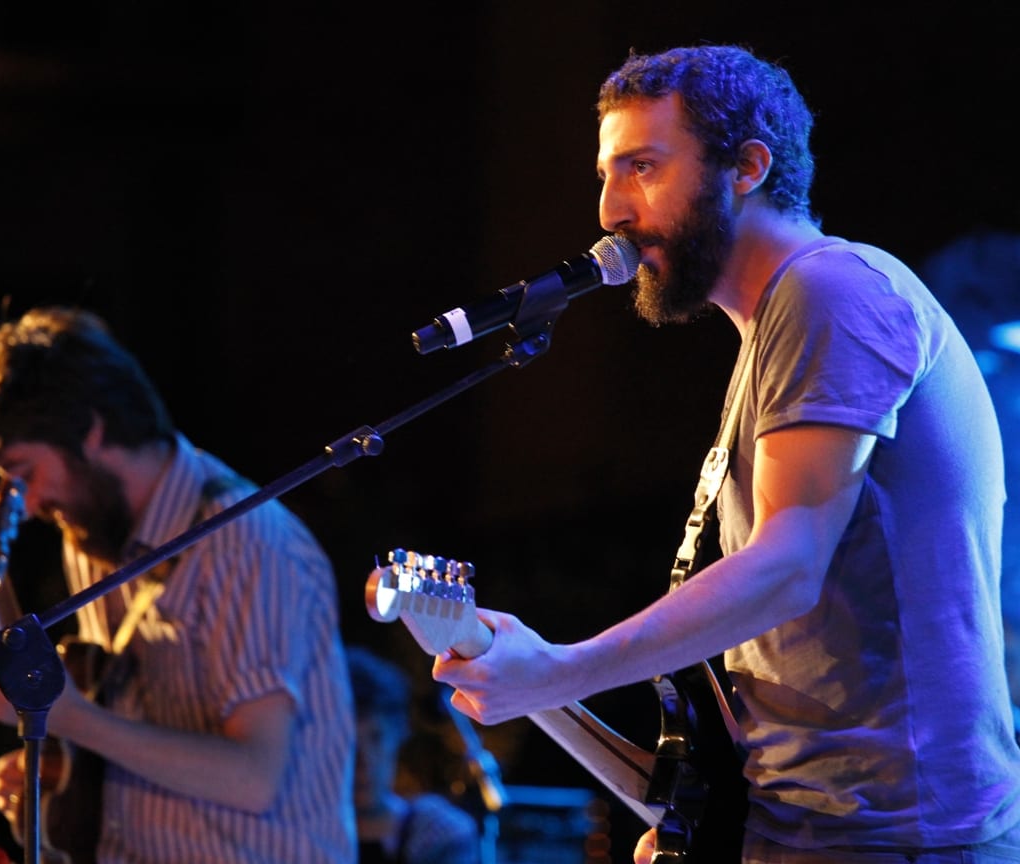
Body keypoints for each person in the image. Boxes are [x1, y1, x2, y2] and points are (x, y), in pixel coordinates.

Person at [430, 44, 1020, 863]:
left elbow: (787, 567)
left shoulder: (831, 291)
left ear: (746, 167)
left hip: (895, 839)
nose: (610, 210)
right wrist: (689, 812)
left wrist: (563, 669)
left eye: (642, 167)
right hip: (807, 828)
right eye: (606, 173)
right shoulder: (774, 327)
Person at [0, 306, 356, 863]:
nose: (31, 503)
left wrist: (71, 718)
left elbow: (255, 775)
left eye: (26, 473)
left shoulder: (245, 541)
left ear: (90, 430)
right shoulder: (90, 538)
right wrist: (61, 770)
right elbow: (124, 731)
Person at [346, 645, 481, 864]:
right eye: (347, 743)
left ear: (398, 734)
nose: (363, 760)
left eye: (376, 738)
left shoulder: (437, 834)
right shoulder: (301, 835)